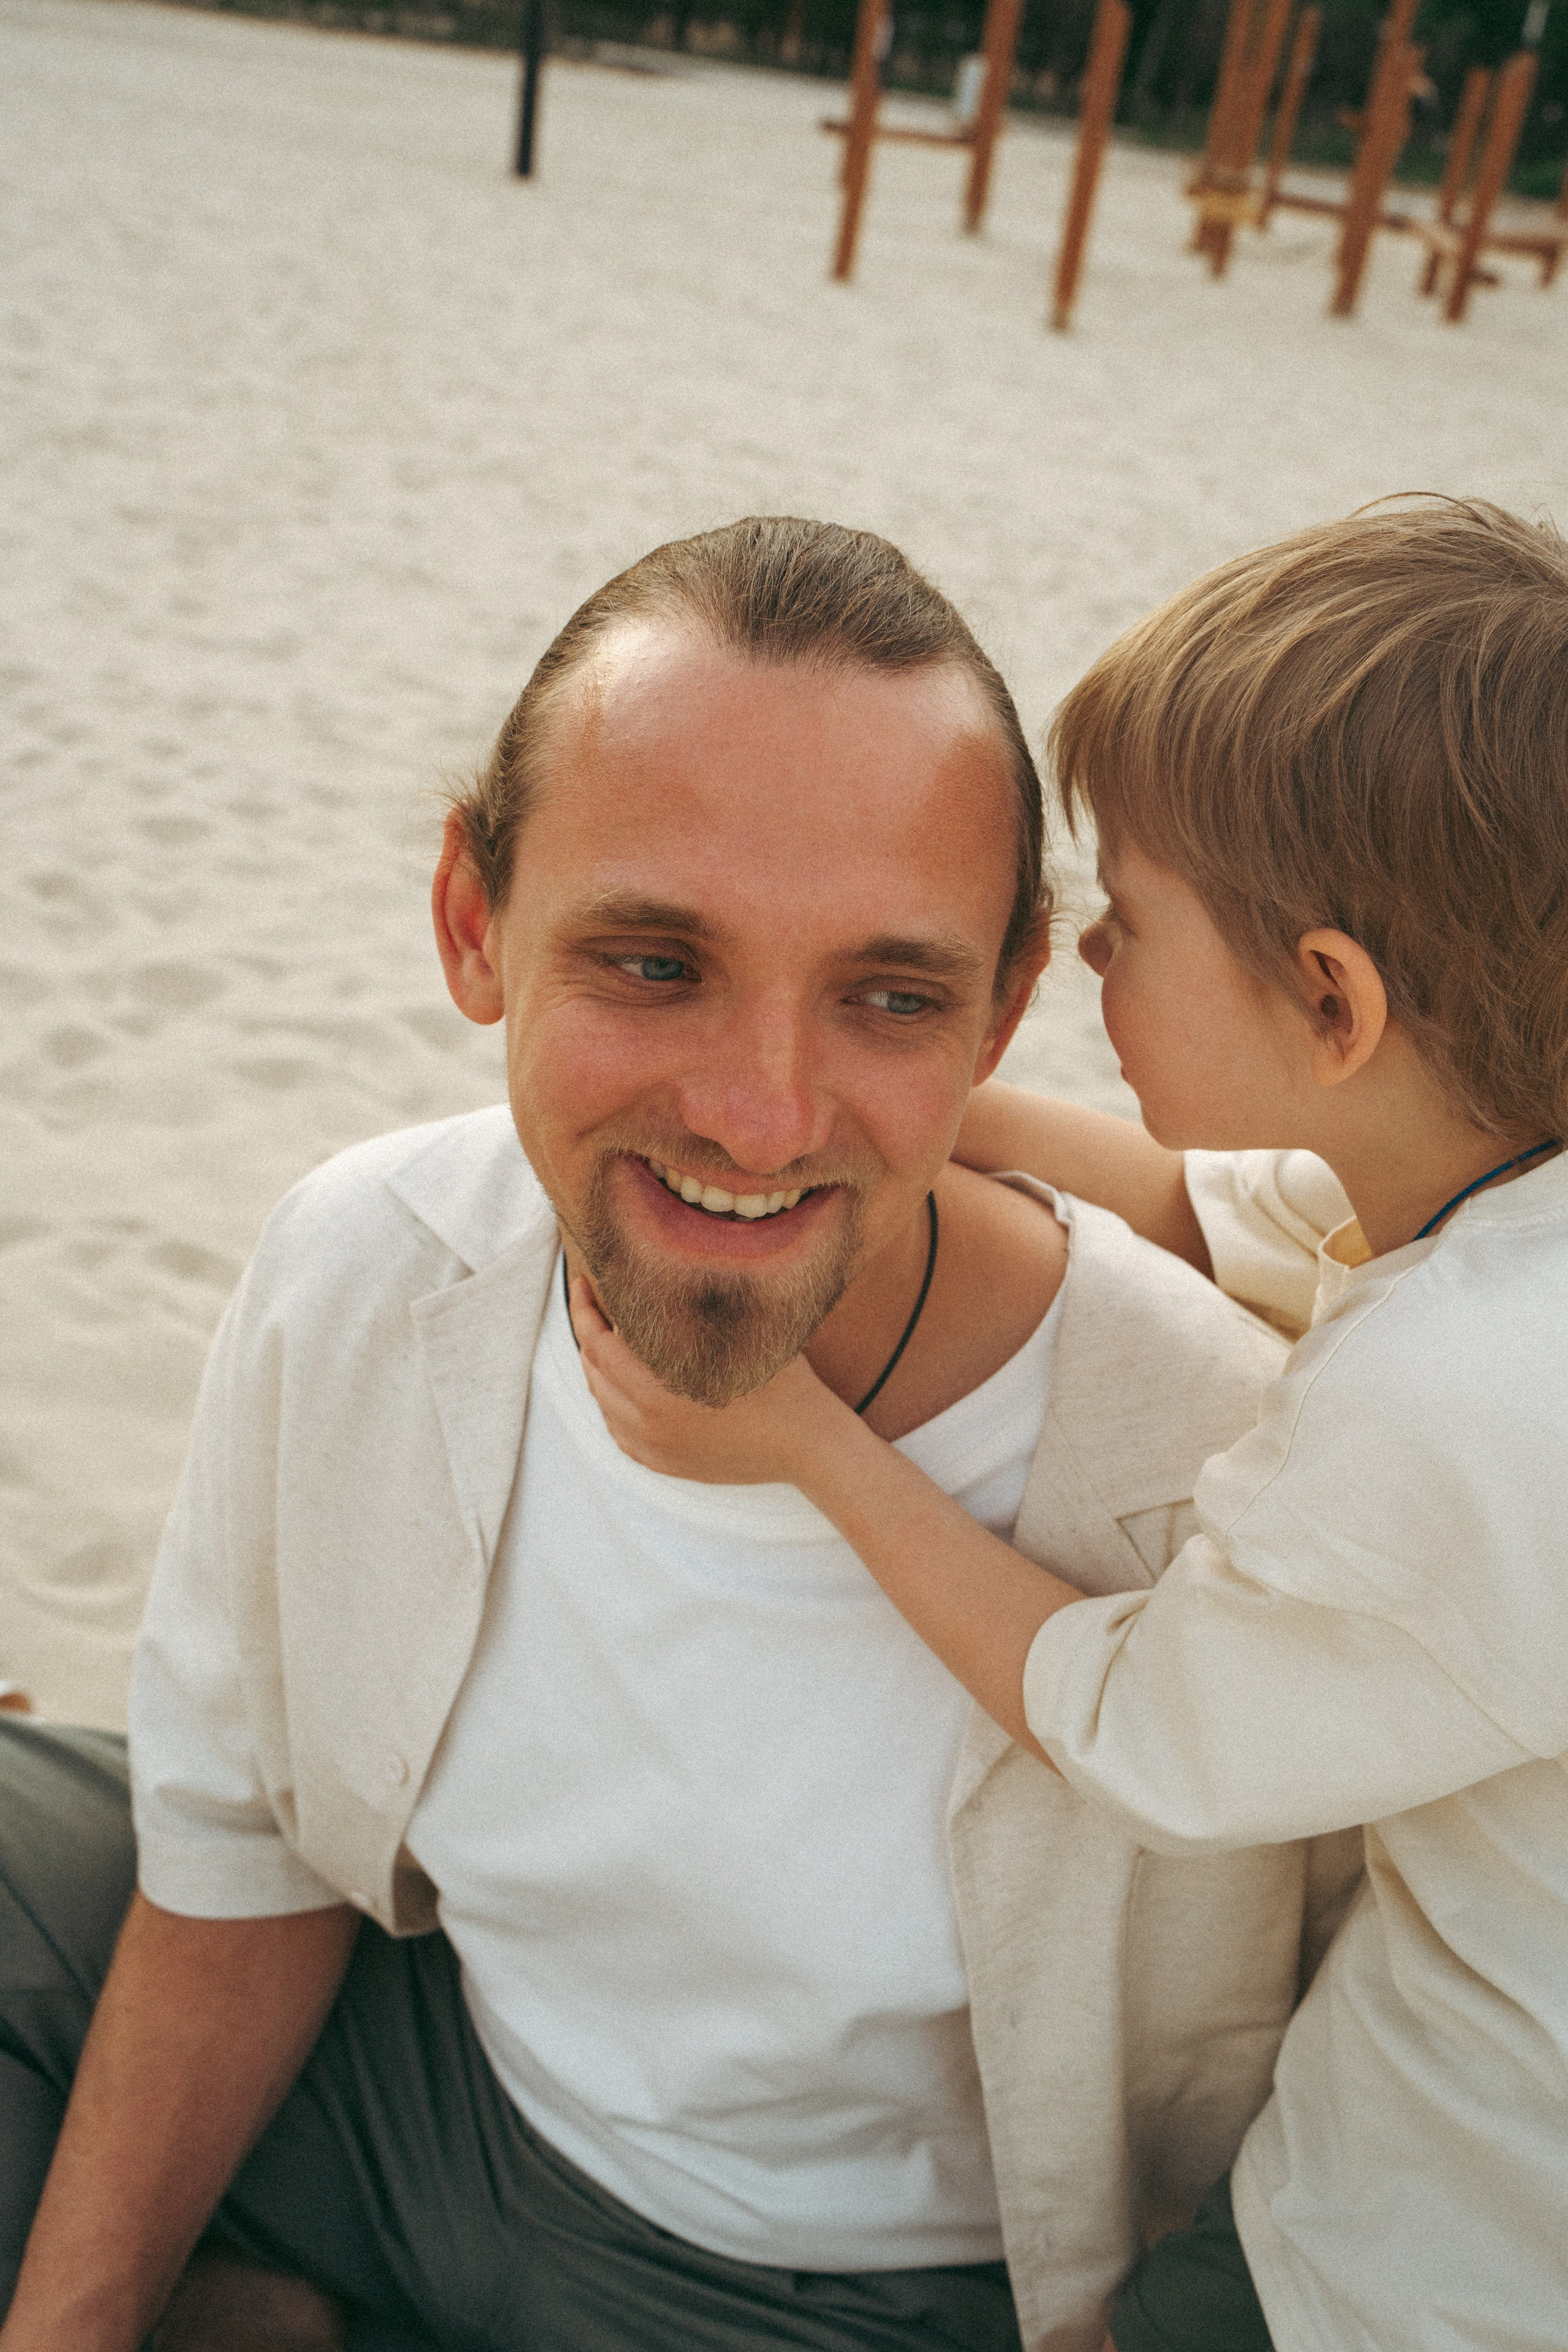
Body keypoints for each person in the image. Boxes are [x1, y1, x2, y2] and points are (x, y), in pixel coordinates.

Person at [0, 518, 1356, 2352]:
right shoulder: (372, 1261)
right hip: (433, 2092)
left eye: (889, 997)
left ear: (1005, 1010)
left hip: (871, 2298)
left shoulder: (1216, 1460)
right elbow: (242, 1859)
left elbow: (1371, 2111)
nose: (760, 1113)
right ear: (475, 926)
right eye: (653, 963)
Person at [575, 499, 1568, 2352]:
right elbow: (1208, 1209)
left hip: (1443, 2257)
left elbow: (1137, 1724)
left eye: (1131, 923)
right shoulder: (1493, 1179)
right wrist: (898, 1095)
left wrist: (812, 1449)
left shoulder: (1444, 1404)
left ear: (1332, 1003)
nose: (1090, 956)